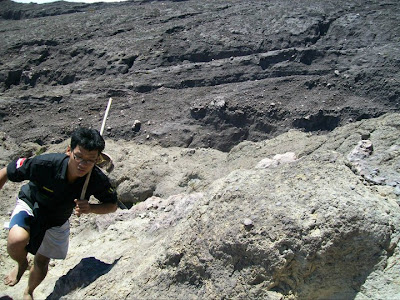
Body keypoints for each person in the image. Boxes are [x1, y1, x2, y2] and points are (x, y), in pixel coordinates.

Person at [1, 127, 118, 300]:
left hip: (58, 218)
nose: (82, 164)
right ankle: (21, 263)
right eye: (78, 156)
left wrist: (91, 208)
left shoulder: (96, 180)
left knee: (42, 261)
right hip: (32, 203)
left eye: (90, 160)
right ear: (69, 151)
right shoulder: (45, 164)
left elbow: (112, 205)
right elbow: (8, 171)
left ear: (97, 159)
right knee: (16, 240)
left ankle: (29, 291)